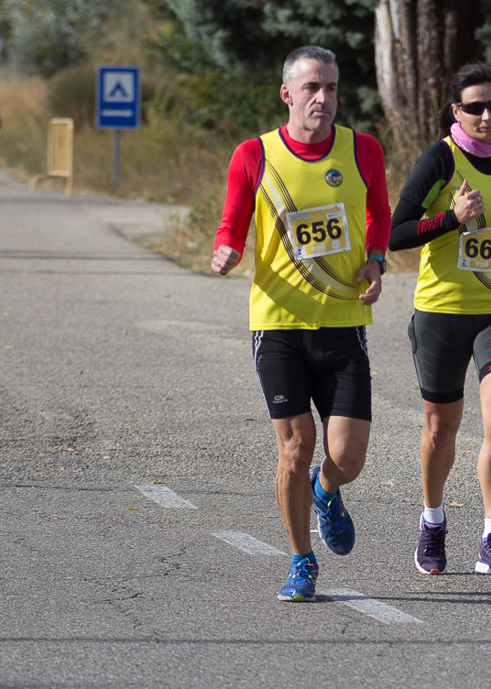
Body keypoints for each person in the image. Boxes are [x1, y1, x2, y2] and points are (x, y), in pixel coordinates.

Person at [211, 46, 390, 602]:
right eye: (312, 87)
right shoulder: (254, 154)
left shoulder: (363, 149)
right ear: (287, 94)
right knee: (294, 448)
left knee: (349, 457)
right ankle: (301, 560)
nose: (323, 98)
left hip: (343, 323)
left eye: (331, 87)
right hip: (279, 327)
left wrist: (376, 259)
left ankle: (326, 490)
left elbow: (378, 213)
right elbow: (232, 222)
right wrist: (226, 249)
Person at [389, 63, 491, 577]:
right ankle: (432, 522)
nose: (486, 115)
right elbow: (395, 232)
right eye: (474, 107)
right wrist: (451, 219)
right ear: (456, 111)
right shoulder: (441, 159)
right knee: (440, 428)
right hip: (442, 311)